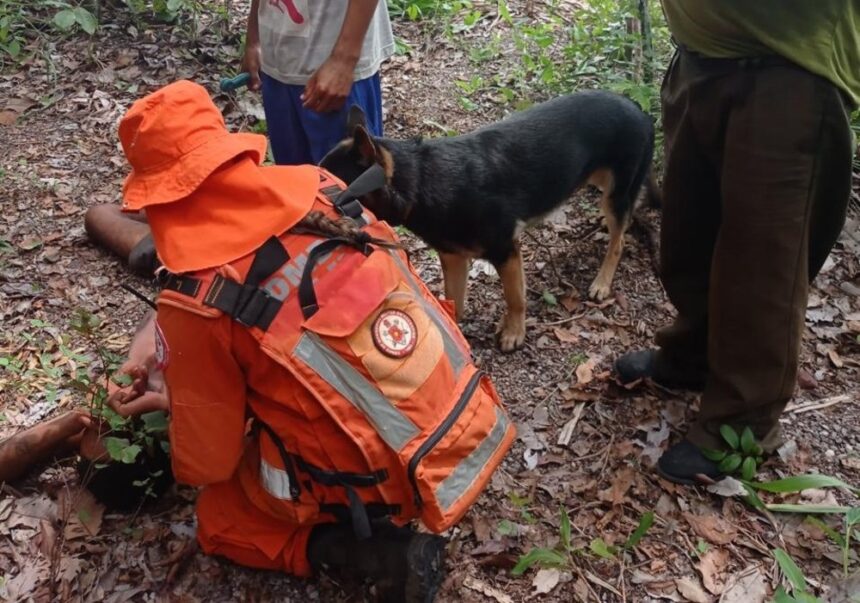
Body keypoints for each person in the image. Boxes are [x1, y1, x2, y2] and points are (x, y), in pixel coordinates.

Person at [106, 80, 514, 602]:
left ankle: (371, 553)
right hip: (458, 408)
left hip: (385, 475)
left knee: (220, 516)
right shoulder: (325, 190)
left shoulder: (200, 301)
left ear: (159, 197)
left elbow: (208, 463)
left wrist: (178, 401)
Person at [615, 0, 858, 484]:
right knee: (690, 235)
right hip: (699, 61)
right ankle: (694, 355)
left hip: (787, 72)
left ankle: (743, 421)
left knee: (761, 265)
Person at [241, 0, 394, 165]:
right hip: (277, 58)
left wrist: (344, 60)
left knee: (349, 175)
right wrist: (254, 38)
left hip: (332, 64)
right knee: (293, 175)